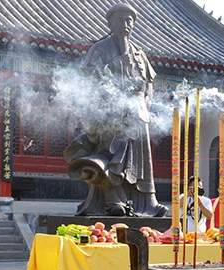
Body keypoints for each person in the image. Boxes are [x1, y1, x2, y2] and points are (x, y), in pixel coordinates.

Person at [63, 3, 167, 217]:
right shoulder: (100, 49)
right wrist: (118, 64)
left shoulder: (139, 53)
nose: (125, 24)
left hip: (137, 112)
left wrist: (146, 101)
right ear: (111, 23)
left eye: (129, 21)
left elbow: (149, 82)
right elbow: (92, 78)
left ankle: (148, 201)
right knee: (114, 154)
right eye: (120, 20)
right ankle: (114, 201)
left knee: (141, 158)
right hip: (111, 113)